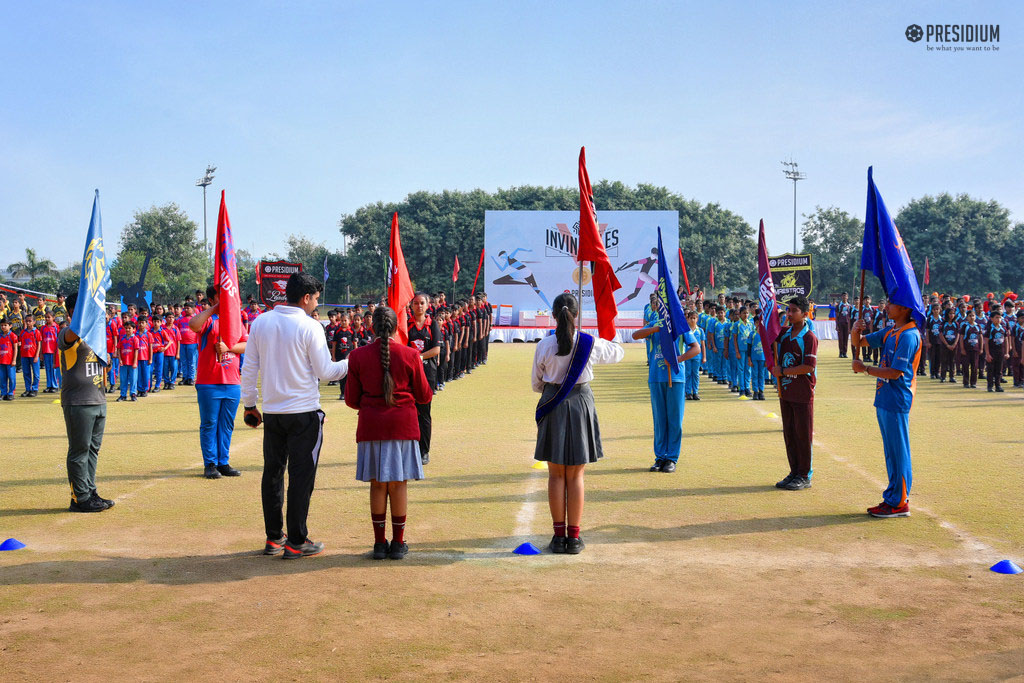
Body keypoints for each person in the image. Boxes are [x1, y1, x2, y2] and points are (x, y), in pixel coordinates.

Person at [241, 272, 348, 559]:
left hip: (274, 412)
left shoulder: (260, 322)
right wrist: (352, 362)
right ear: (305, 298)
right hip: (303, 413)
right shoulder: (310, 326)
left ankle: (274, 537)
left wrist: (250, 404)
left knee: (273, 474)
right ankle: (297, 540)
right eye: (315, 299)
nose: (316, 305)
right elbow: (327, 373)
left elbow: (249, 367)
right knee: (301, 477)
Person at [533, 293, 624, 553]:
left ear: (553, 315)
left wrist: (552, 389)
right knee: (576, 474)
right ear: (576, 316)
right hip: (582, 403)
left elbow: (536, 382)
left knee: (555, 474)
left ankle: (558, 536)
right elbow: (618, 353)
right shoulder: (588, 342)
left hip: (552, 403)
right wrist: (611, 326)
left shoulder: (544, 344)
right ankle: (574, 538)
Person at [345, 305, 432, 560]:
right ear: (396, 327)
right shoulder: (410, 355)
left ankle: (379, 544)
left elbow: (351, 399)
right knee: (399, 484)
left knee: (377, 484)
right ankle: (399, 542)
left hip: (372, 426)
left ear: (372, 327)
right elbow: (425, 395)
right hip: (402, 427)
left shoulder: (357, 356)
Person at [851, 299, 921, 518]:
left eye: (892, 303)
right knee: (890, 451)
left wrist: (866, 369)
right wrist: (855, 330)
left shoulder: (908, 336)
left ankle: (900, 502)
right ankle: (892, 497)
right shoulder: (891, 331)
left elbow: (895, 372)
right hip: (884, 398)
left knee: (898, 451)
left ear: (905, 308)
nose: (887, 307)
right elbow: (860, 342)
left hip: (897, 399)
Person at [59, 293, 114, 513]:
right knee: (79, 451)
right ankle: (78, 497)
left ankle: (90, 491)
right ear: (73, 310)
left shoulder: (96, 335)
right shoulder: (68, 333)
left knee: (92, 450)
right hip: (78, 401)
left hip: (98, 399)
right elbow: (73, 334)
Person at [633, 300, 700, 473]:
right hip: (656, 377)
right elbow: (636, 335)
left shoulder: (680, 325)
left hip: (676, 378)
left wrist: (678, 359)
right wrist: (656, 329)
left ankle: (671, 458)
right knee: (659, 420)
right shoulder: (655, 323)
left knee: (674, 419)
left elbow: (696, 348)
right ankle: (660, 457)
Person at [189, 285, 248, 479]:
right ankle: (210, 463)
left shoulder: (235, 321)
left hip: (232, 382)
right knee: (209, 424)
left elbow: (246, 345)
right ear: (213, 299)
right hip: (209, 382)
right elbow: (193, 325)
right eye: (222, 296)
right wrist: (214, 310)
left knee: (226, 424)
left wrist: (229, 347)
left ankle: (223, 462)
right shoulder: (209, 320)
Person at [769, 297, 818, 491]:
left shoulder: (808, 338)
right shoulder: (785, 333)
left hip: (802, 392)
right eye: (788, 310)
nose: (789, 314)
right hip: (786, 391)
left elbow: (808, 366)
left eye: (794, 310)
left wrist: (783, 371)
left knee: (802, 434)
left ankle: (804, 474)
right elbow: (767, 334)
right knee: (789, 433)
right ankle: (794, 471)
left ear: (805, 314)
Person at [407, 293, 442, 465]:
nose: (419, 306)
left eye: (422, 303)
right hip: (408, 375)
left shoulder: (432, 324)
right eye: (416, 303)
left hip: (426, 374)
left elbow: (436, 349)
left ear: (428, 305)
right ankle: (409, 449)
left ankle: (424, 451)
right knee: (408, 412)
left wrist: (419, 357)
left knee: (424, 413)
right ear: (411, 306)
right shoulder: (407, 324)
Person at [983, 309, 1008, 393]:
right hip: (992, 352)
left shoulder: (1003, 329)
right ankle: (990, 386)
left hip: (1000, 352)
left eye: (1000, 317)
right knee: (990, 370)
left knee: (999, 370)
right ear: (992, 319)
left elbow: (1006, 340)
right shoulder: (990, 329)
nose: (998, 319)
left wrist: (1007, 352)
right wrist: (987, 354)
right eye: (996, 317)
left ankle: (998, 385)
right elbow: (986, 342)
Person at [684, 309, 706, 401]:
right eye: (691, 318)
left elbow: (703, 344)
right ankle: (688, 392)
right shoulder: (685, 330)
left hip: (697, 356)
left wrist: (704, 357)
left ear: (697, 319)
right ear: (688, 319)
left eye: (694, 318)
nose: (693, 320)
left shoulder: (700, 330)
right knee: (688, 373)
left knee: (696, 374)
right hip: (687, 355)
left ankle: (695, 392)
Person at [19, 313, 41, 397]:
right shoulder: (23, 332)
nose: (28, 323)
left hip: (33, 356)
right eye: (26, 321)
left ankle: (34, 389)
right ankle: (28, 389)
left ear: (34, 322)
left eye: (30, 321)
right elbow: (21, 342)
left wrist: (36, 355)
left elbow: (39, 344)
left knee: (36, 374)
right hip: (24, 356)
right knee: (26, 373)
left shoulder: (36, 332)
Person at [116, 320, 139, 401]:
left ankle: (133, 394)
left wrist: (135, 362)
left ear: (134, 329)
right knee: (123, 379)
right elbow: (118, 349)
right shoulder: (122, 339)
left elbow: (136, 350)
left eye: (129, 328)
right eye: (126, 328)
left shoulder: (135, 339)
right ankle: (123, 395)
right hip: (123, 363)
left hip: (132, 363)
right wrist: (120, 360)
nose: (128, 330)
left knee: (133, 379)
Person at [177, 302, 198, 385]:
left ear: (193, 309)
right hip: (182, 343)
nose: (186, 310)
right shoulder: (181, 319)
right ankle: (185, 377)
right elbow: (178, 331)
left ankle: (191, 378)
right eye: (185, 308)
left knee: (192, 361)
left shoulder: (195, 318)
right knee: (183, 361)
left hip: (192, 343)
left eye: (188, 308)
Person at [0, 318, 18, 400]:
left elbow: (15, 348)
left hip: (10, 361)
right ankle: (3, 393)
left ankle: (11, 393)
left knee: (11, 377)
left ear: (10, 326)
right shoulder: (0, 336)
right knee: (2, 377)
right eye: (2, 325)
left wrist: (14, 360)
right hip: (1, 361)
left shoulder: (13, 336)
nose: (3, 327)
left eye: (5, 325)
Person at [835, 293, 852, 358]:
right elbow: (837, 316)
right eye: (843, 296)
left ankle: (845, 352)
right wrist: (837, 325)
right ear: (842, 297)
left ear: (847, 297)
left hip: (847, 324)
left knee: (846, 339)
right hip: (840, 324)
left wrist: (850, 327)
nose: (845, 297)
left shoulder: (849, 306)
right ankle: (841, 352)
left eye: (846, 296)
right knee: (841, 339)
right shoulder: (839, 305)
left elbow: (850, 317)